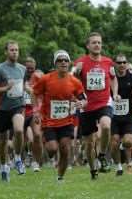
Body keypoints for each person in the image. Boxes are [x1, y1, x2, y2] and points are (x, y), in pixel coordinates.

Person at [32, 50, 85, 182]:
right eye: (60, 60)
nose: (63, 62)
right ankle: (48, 153)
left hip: (67, 121)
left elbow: (83, 98)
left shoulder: (74, 81)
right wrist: (36, 111)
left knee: (65, 149)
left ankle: (60, 177)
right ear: (55, 63)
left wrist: (81, 103)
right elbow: (34, 93)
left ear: (69, 63)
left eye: (65, 60)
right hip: (49, 121)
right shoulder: (46, 79)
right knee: (52, 149)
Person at [74, 32, 117, 179]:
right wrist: (76, 73)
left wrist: (115, 93)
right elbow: (74, 82)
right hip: (86, 106)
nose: (97, 45)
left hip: (104, 102)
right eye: (94, 42)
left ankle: (103, 155)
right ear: (88, 46)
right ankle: (93, 170)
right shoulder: (80, 62)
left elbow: (113, 79)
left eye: (99, 42)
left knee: (106, 126)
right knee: (89, 142)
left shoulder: (108, 62)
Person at [0, 40, 27, 182]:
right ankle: (4, 167)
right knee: (3, 140)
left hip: (18, 106)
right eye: (12, 50)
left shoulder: (22, 69)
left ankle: (17, 158)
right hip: (2, 108)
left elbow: (23, 85)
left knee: (18, 130)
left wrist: (28, 91)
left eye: (16, 50)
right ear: (6, 52)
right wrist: (4, 88)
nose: (14, 52)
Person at [110, 54, 132, 176]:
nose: (122, 65)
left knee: (128, 142)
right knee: (114, 142)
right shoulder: (111, 78)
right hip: (114, 115)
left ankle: (129, 162)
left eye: (124, 62)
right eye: (119, 63)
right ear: (115, 64)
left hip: (128, 114)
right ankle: (119, 167)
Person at [23, 57, 44, 172]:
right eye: (27, 68)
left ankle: (36, 162)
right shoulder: (19, 77)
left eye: (32, 68)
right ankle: (20, 158)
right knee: (21, 137)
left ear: (35, 67)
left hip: (35, 110)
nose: (30, 70)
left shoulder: (39, 76)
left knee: (36, 135)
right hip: (21, 111)